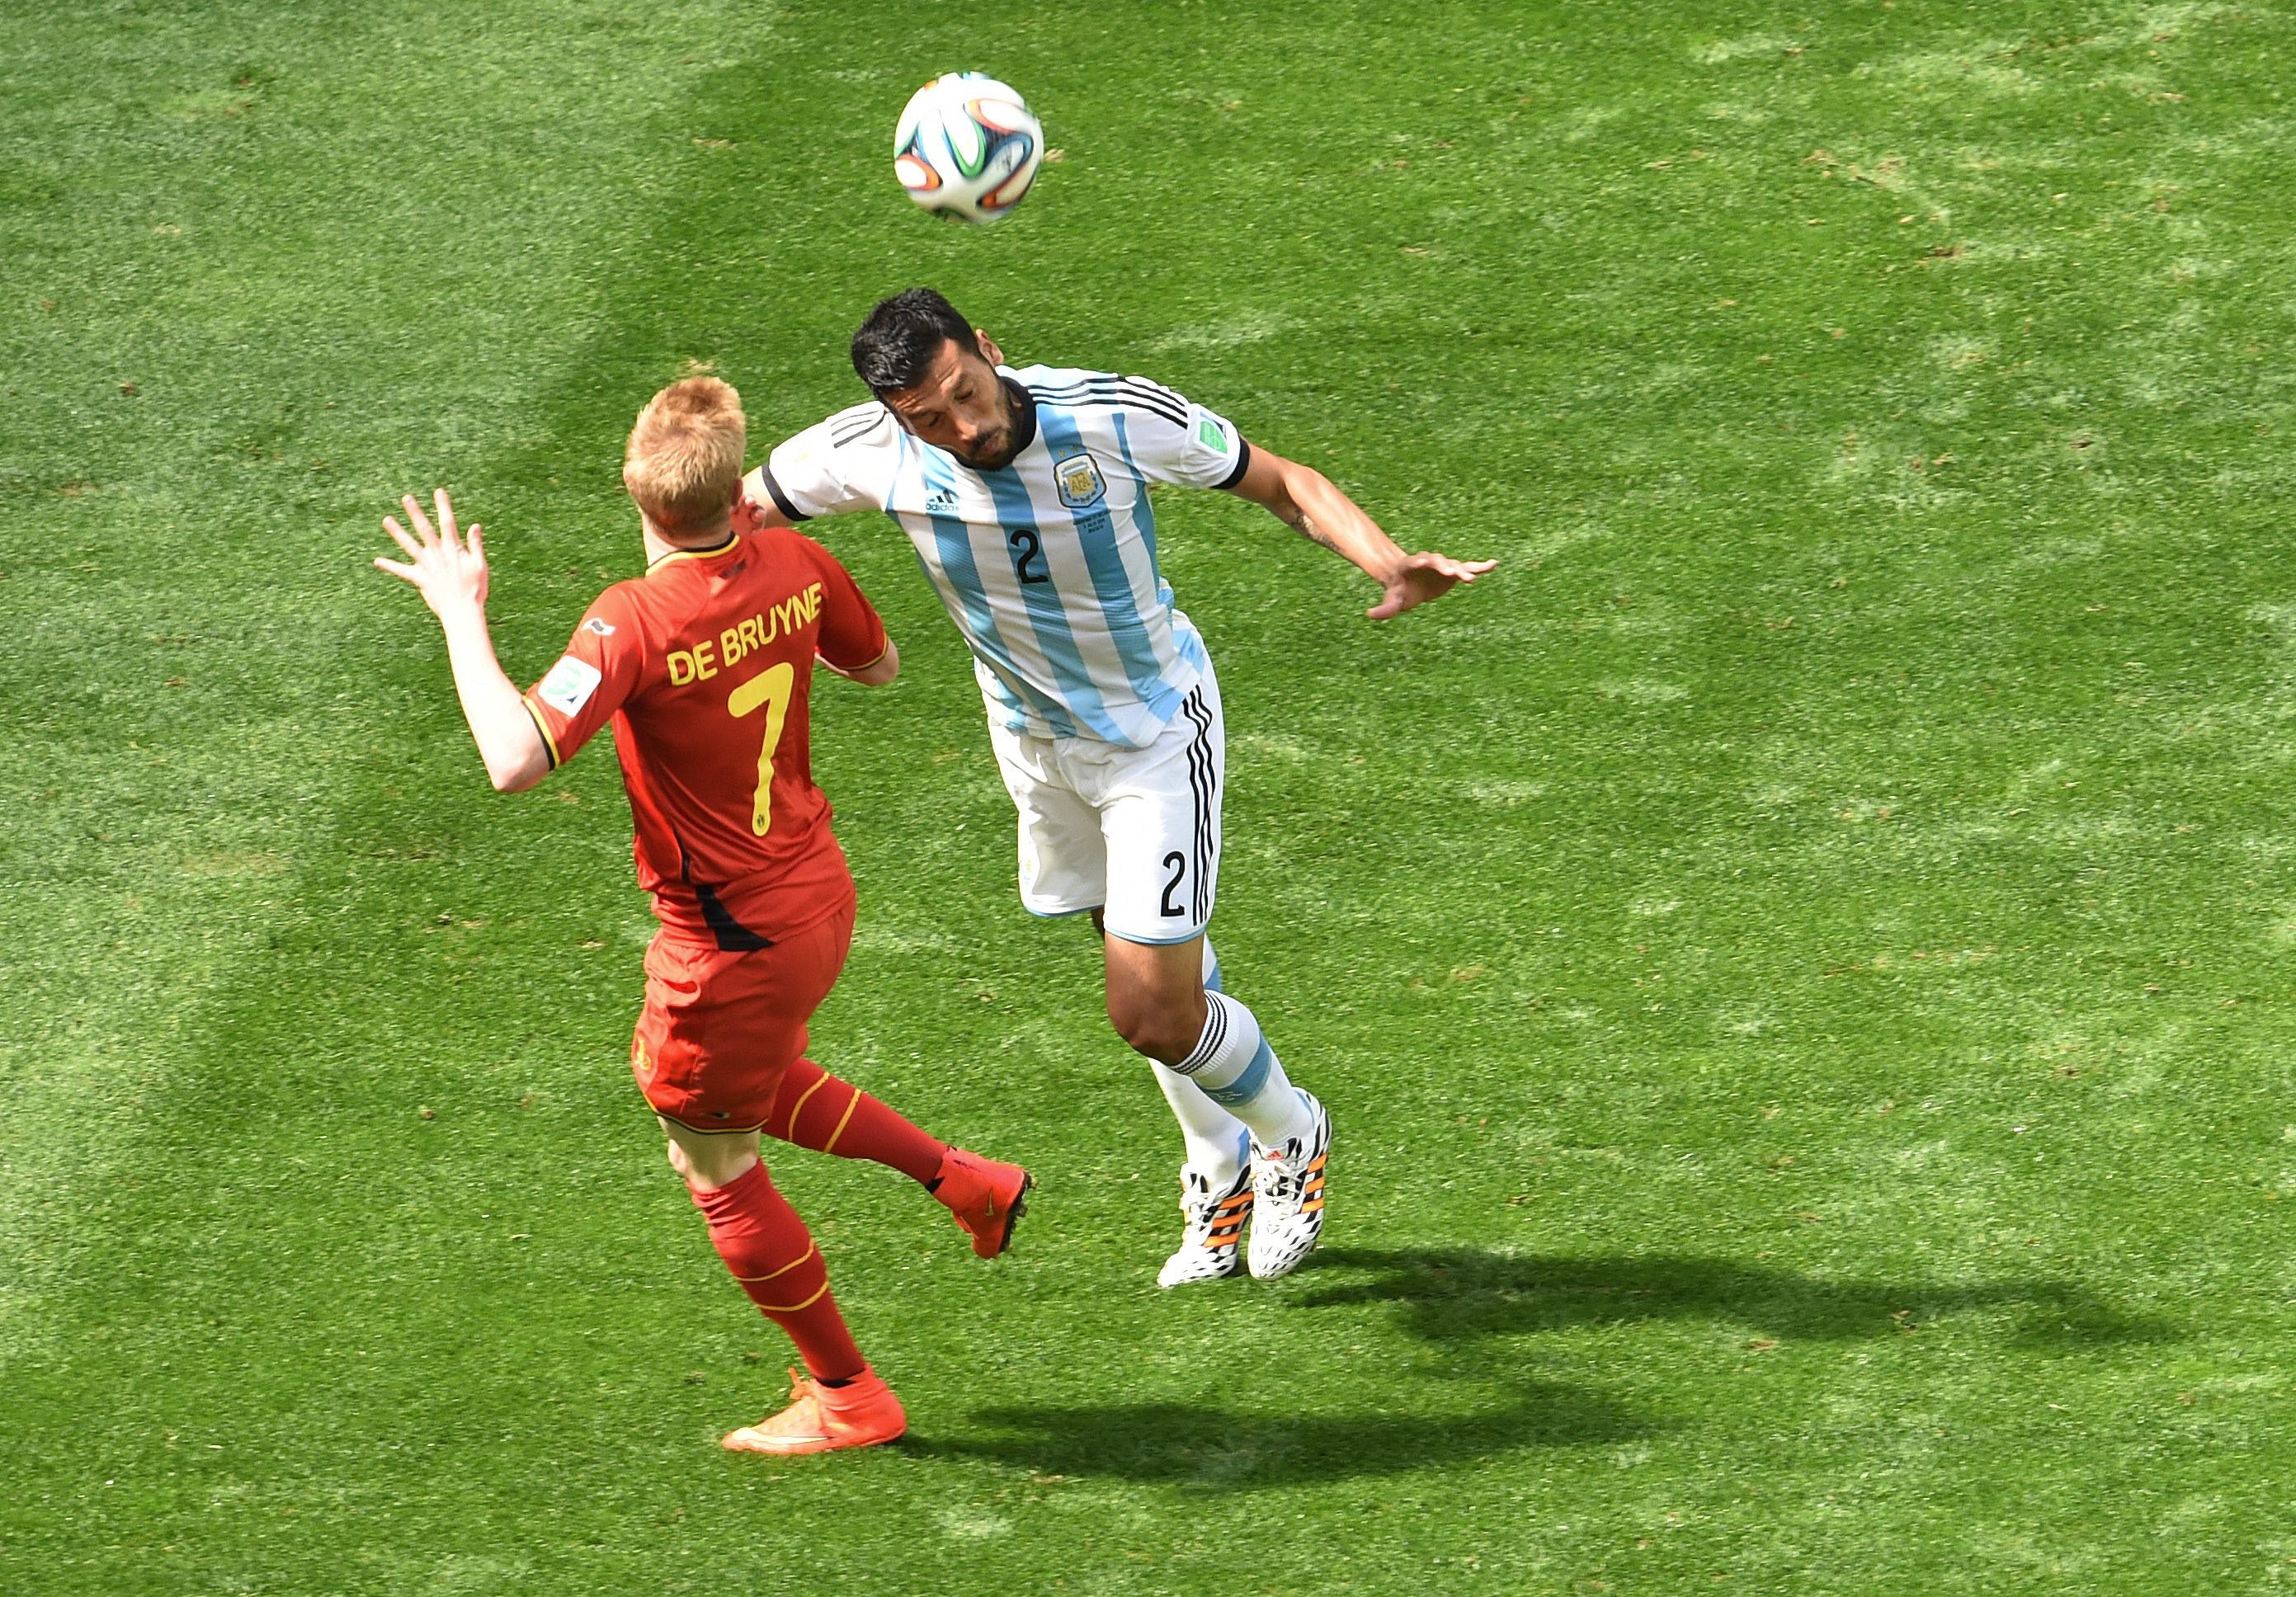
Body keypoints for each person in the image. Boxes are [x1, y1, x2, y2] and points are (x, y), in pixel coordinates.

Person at [743, 290, 1495, 1286]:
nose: (963, 428)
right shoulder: (869, 451)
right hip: (1033, 744)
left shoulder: (1106, 414)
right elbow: (727, 515)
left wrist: (1389, 560)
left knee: (1150, 1012)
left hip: (1151, 733)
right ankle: (1215, 1159)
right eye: (929, 418)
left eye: (965, 393)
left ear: (989, 349)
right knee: (1139, 951)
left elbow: (1282, 482)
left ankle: (1291, 1132)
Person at [372, 376, 1030, 1454]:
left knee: (710, 1159)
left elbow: (511, 760)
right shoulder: (798, 560)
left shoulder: (628, 620)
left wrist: (460, 611)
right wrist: (771, 583)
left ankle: (850, 1397)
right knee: (746, 1089)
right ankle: (965, 1181)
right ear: (739, 487)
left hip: (729, 946)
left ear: (638, 496)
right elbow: (881, 667)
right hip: (818, 896)